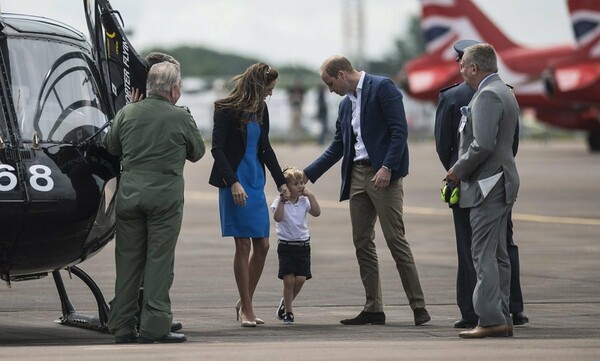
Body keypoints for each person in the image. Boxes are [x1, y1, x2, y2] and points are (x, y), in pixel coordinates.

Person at [304, 55, 431, 326]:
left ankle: (418, 306)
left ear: (341, 74)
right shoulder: (344, 105)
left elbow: (399, 132)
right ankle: (373, 307)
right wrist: (307, 174)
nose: (329, 90)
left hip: (384, 175)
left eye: (329, 83)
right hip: (357, 175)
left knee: (395, 240)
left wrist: (387, 168)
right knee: (362, 242)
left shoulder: (383, 88)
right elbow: (338, 147)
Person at [105, 61, 206, 343]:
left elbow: (110, 145)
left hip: (131, 193)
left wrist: (130, 111)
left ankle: (123, 327)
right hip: (164, 197)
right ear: (174, 89)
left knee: (127, 263)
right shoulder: (180, 117)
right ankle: (154, 327)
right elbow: (197, 152)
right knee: (159, 262)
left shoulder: (128, 112)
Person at [435, 40, 529, 330]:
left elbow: (483, 145)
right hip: (501, 181)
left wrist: (456, 171)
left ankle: (488, 320)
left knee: (483, 253)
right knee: (500, 254)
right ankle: (501, 317)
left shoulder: (488, 94)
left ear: (474, 67)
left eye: (462, 66)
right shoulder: (503, 90)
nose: (460, 71)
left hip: (487, 185)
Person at [209, 62, 290, 327]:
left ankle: (245, 301)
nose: (271, 93)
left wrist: (281, 182)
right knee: (243, 245)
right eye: (269, 88)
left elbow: (265, 148)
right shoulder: (225, 109)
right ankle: (247, 308)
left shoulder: (261, 109)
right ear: (258, 85)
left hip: (255, 181)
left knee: (264, 246)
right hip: (235, 182)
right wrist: (232, 182)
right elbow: (217, 150)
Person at [271, 166, 321, 324]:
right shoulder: (280, 201)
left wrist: (311, 195)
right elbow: (277, 218)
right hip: (286, 246)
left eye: (301, 183)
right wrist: (282, 201)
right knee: (289, 280)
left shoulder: (304, 201)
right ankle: (289, 312)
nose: (301, 186)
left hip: (303, 245)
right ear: (286, 187)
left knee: (300, 279)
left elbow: (316, 212)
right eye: (296, 184)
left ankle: (285, 302)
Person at [287, 77, 306, 146]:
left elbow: (303, 98)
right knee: (292, 125)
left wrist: (298, 98)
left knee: (298, 125)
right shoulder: (291, 89)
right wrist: (294, 98)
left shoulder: (301, 89)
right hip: (293, 107)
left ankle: (297, 140)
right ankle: (291, 140)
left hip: (299, 107)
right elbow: (289, 98)